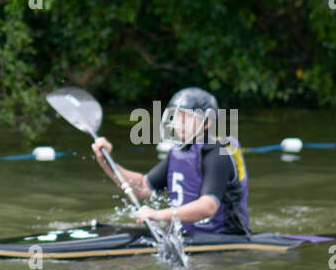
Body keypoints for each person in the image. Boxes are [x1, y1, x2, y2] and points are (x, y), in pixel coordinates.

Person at [93, 86, 250, 234]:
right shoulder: (178, 152)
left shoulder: (217, 154)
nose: (178, 123)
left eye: (187, 117)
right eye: (176, 115)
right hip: (184, 236)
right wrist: (107, 163)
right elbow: (141, 187)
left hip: (222, 239)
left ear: (207, 122)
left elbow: (208, 206)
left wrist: (158, 214)